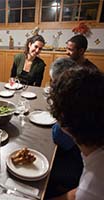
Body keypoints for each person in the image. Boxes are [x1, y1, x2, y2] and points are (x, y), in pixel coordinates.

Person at [47, 67, 104, 200]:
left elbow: (85, 192)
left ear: (61, 119)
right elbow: (77, 193)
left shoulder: (92, 189)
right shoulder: (95, 151)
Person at [45, 58, 84, 198]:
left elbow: (60, 137)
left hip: (75, 166)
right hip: (80, 156)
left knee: (45, 168)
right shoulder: (83, 92)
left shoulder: (75, 102)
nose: (51, 86)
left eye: (53, 82)